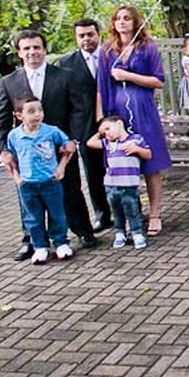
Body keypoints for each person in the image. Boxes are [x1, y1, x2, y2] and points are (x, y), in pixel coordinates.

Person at [0, 29, 95, 258]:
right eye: (27, 48)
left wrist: (73, 139)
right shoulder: (9, 82)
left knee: (71, 189)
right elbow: (1, 119)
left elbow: (79, 111)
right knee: (28, 197)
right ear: (19, 52)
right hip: (27, 154)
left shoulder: (64, 76)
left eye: (36, 47)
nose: (32, 52)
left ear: (44, 49)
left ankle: (82, 230)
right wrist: (4, 150)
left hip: (61, 149)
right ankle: (31, 240)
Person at [96, 5, 172, 236]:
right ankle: (132, 214)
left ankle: (156, 213)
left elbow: (158, 81)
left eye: (127, 18)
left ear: (135, 22)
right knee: (122, 162)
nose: (122, 22)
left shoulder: (146, 47)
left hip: (143, 109)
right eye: (118, 18)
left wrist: (129, 76)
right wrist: (102, 118)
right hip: (117, 109)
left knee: (151, 162)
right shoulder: (107, 50)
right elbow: (101, 85)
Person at [56, 18, 111, 233]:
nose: (86, 39)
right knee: (93, 173)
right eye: (82, 35)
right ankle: (102, 214)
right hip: (85, 126)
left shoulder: (110, 56)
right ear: (76, 38)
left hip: (113, 121)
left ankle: (128, 210)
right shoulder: (66, 64)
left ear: (98, 35)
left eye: (90, 34)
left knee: (120, 166)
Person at [6, 98, 76, 264]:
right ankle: (39, 246)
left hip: (50, 182)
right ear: (19, 115)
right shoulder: (14, 136)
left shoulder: (51, 132)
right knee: (33, 217)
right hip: (27, 184)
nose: (37, 115)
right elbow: (9, 158)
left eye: (40, 110)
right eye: (31, 111)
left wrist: (61, 167)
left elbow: (69, 147)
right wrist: (16, 177)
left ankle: (61, 243)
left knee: (57, 214)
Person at [86, 115, 150, 249]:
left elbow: (148, 154)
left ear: (120, 123)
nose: (107, 134)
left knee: (132, 208)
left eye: (108, 128)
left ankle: (136, 232)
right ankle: (120, 232)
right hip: (112, 184)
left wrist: (137, 150)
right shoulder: (109, 144)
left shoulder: (135, 139)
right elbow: (90, 143)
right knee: (116, 211)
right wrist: (100, 132)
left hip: (129, 184)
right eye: (104, 132)